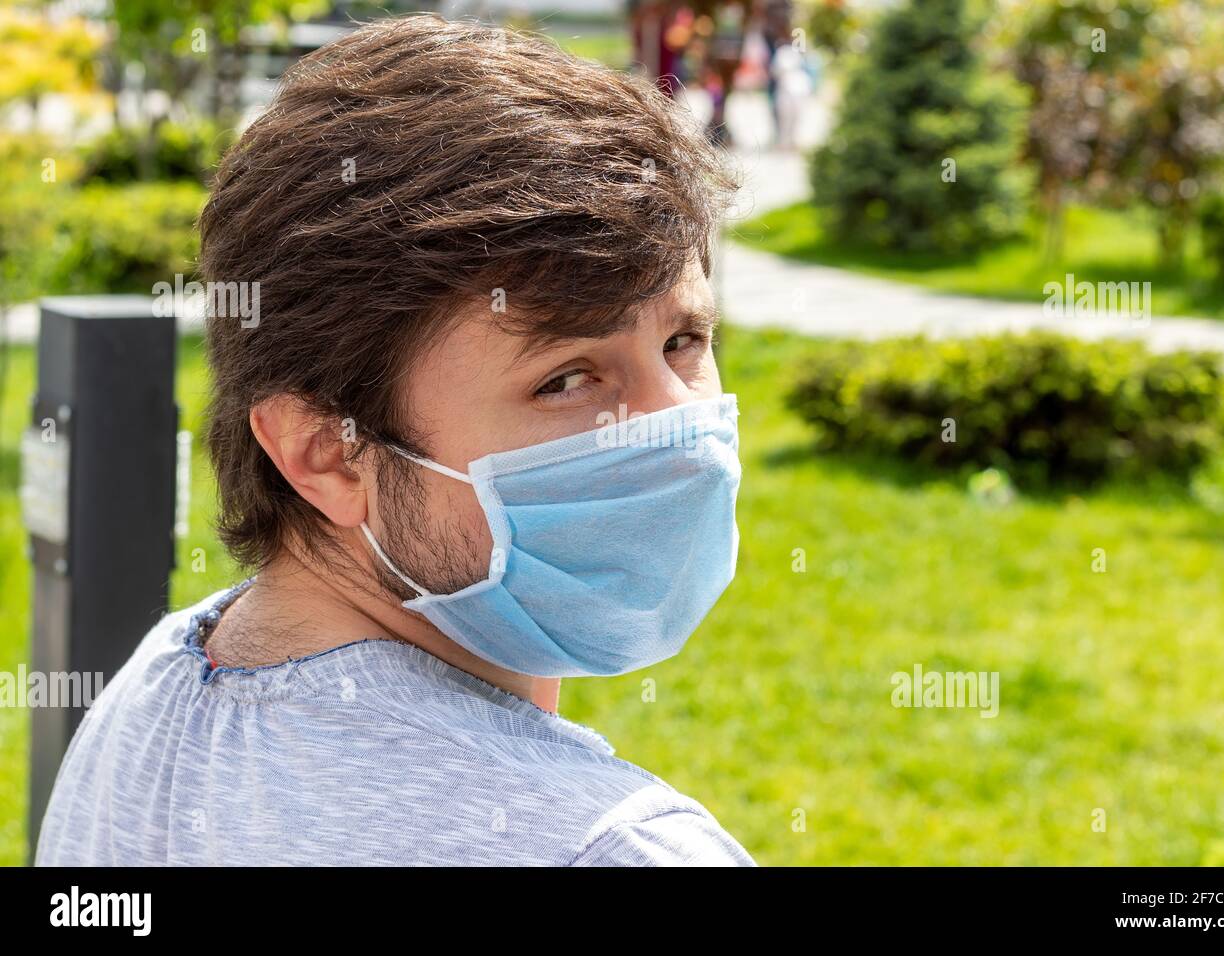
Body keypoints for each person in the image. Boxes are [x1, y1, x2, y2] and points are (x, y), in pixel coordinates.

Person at [35, 14, 755, 867]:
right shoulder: (607, 849)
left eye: (684, 342)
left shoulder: (156, 697)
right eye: (567, 378)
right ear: (326, 451)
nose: (676, 429)